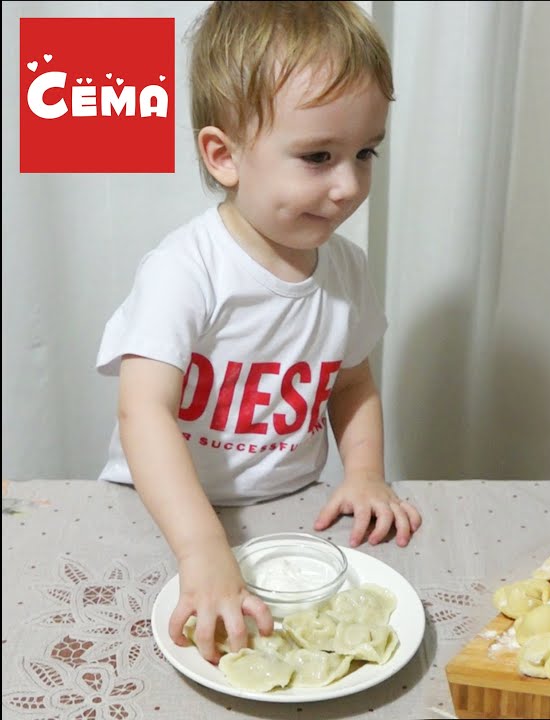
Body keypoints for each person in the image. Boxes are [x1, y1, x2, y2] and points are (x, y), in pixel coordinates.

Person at [95, 1, 420, 665]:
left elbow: (351, 378)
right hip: (164, 515)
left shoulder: (347, 269)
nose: (349, 185)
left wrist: (364, 473)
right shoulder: (185, 270)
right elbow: (142, 408)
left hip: (286, 508)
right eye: (318, 155)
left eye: (365, 152)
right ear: (224, 156)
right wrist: (200, 545)